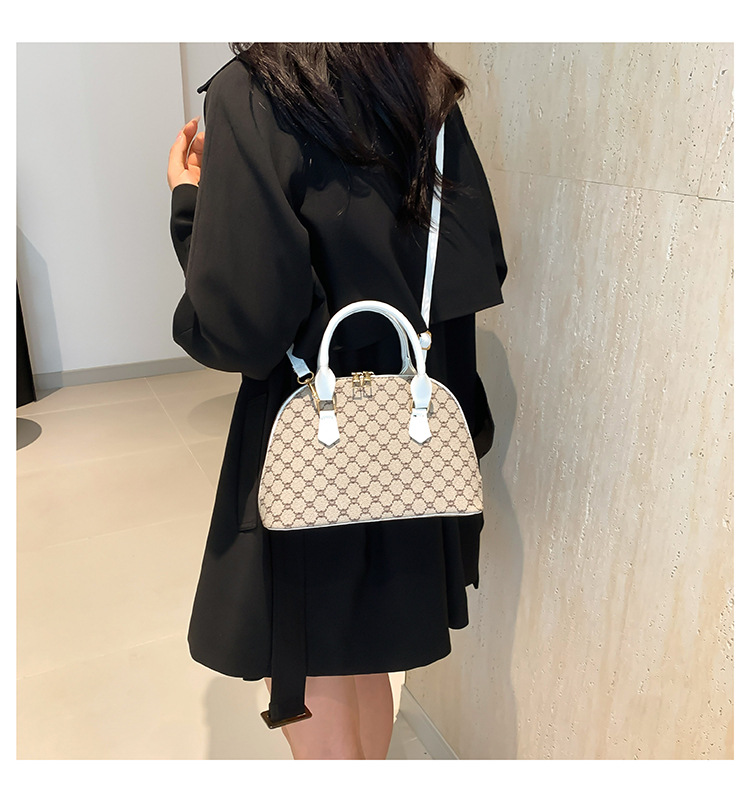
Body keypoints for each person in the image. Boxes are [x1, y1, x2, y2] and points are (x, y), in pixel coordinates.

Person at [167, 43, 507, 760]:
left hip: (308, 425)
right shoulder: (419, 82)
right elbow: (470, 266)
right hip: (408, 425)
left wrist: (190, 201)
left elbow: (240, 321)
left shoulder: (253, 90)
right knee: (363, 647)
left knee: (310, 649)